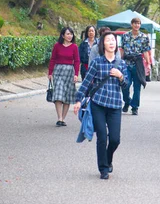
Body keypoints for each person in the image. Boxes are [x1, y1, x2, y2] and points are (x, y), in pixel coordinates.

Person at [74, 31, 128, 180]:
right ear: (102, 44)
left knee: (115, 139)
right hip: (98, 104)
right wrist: (79, 100)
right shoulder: (97, 62)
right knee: (102, 137)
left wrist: (120, 76)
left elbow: (126, 85)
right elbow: (86, 82)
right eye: (108, 40)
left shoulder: (121, 64)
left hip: (115, 105)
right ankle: (103, 169)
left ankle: (108, 158)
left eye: (113, 40)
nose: (111, 42)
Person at [48, 26, 80, 127]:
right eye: (67, 34)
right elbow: (52, 59)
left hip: (69, 71)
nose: (70, 36)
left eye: (71, 34)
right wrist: (50, 72)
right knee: (58, 93)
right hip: (58, 71)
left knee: (67, 95)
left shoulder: (74, 47)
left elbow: (77, 61)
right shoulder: (57, 46)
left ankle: (63, 118)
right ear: (62, 35)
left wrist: (76, 74)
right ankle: (59, 118)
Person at [121, 17, 151, 115]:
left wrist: (148, 64)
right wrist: (119, 62)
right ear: (131, 24)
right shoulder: (125, 36)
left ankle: (135, 107)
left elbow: (146, 51)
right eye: (135, 23)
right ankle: (127, 101)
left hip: (138, 63)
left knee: (137, 87)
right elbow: (121, 50)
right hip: (126, 63)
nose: (137, 25)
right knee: (125, 85)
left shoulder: (144, 37)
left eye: (138, 23)